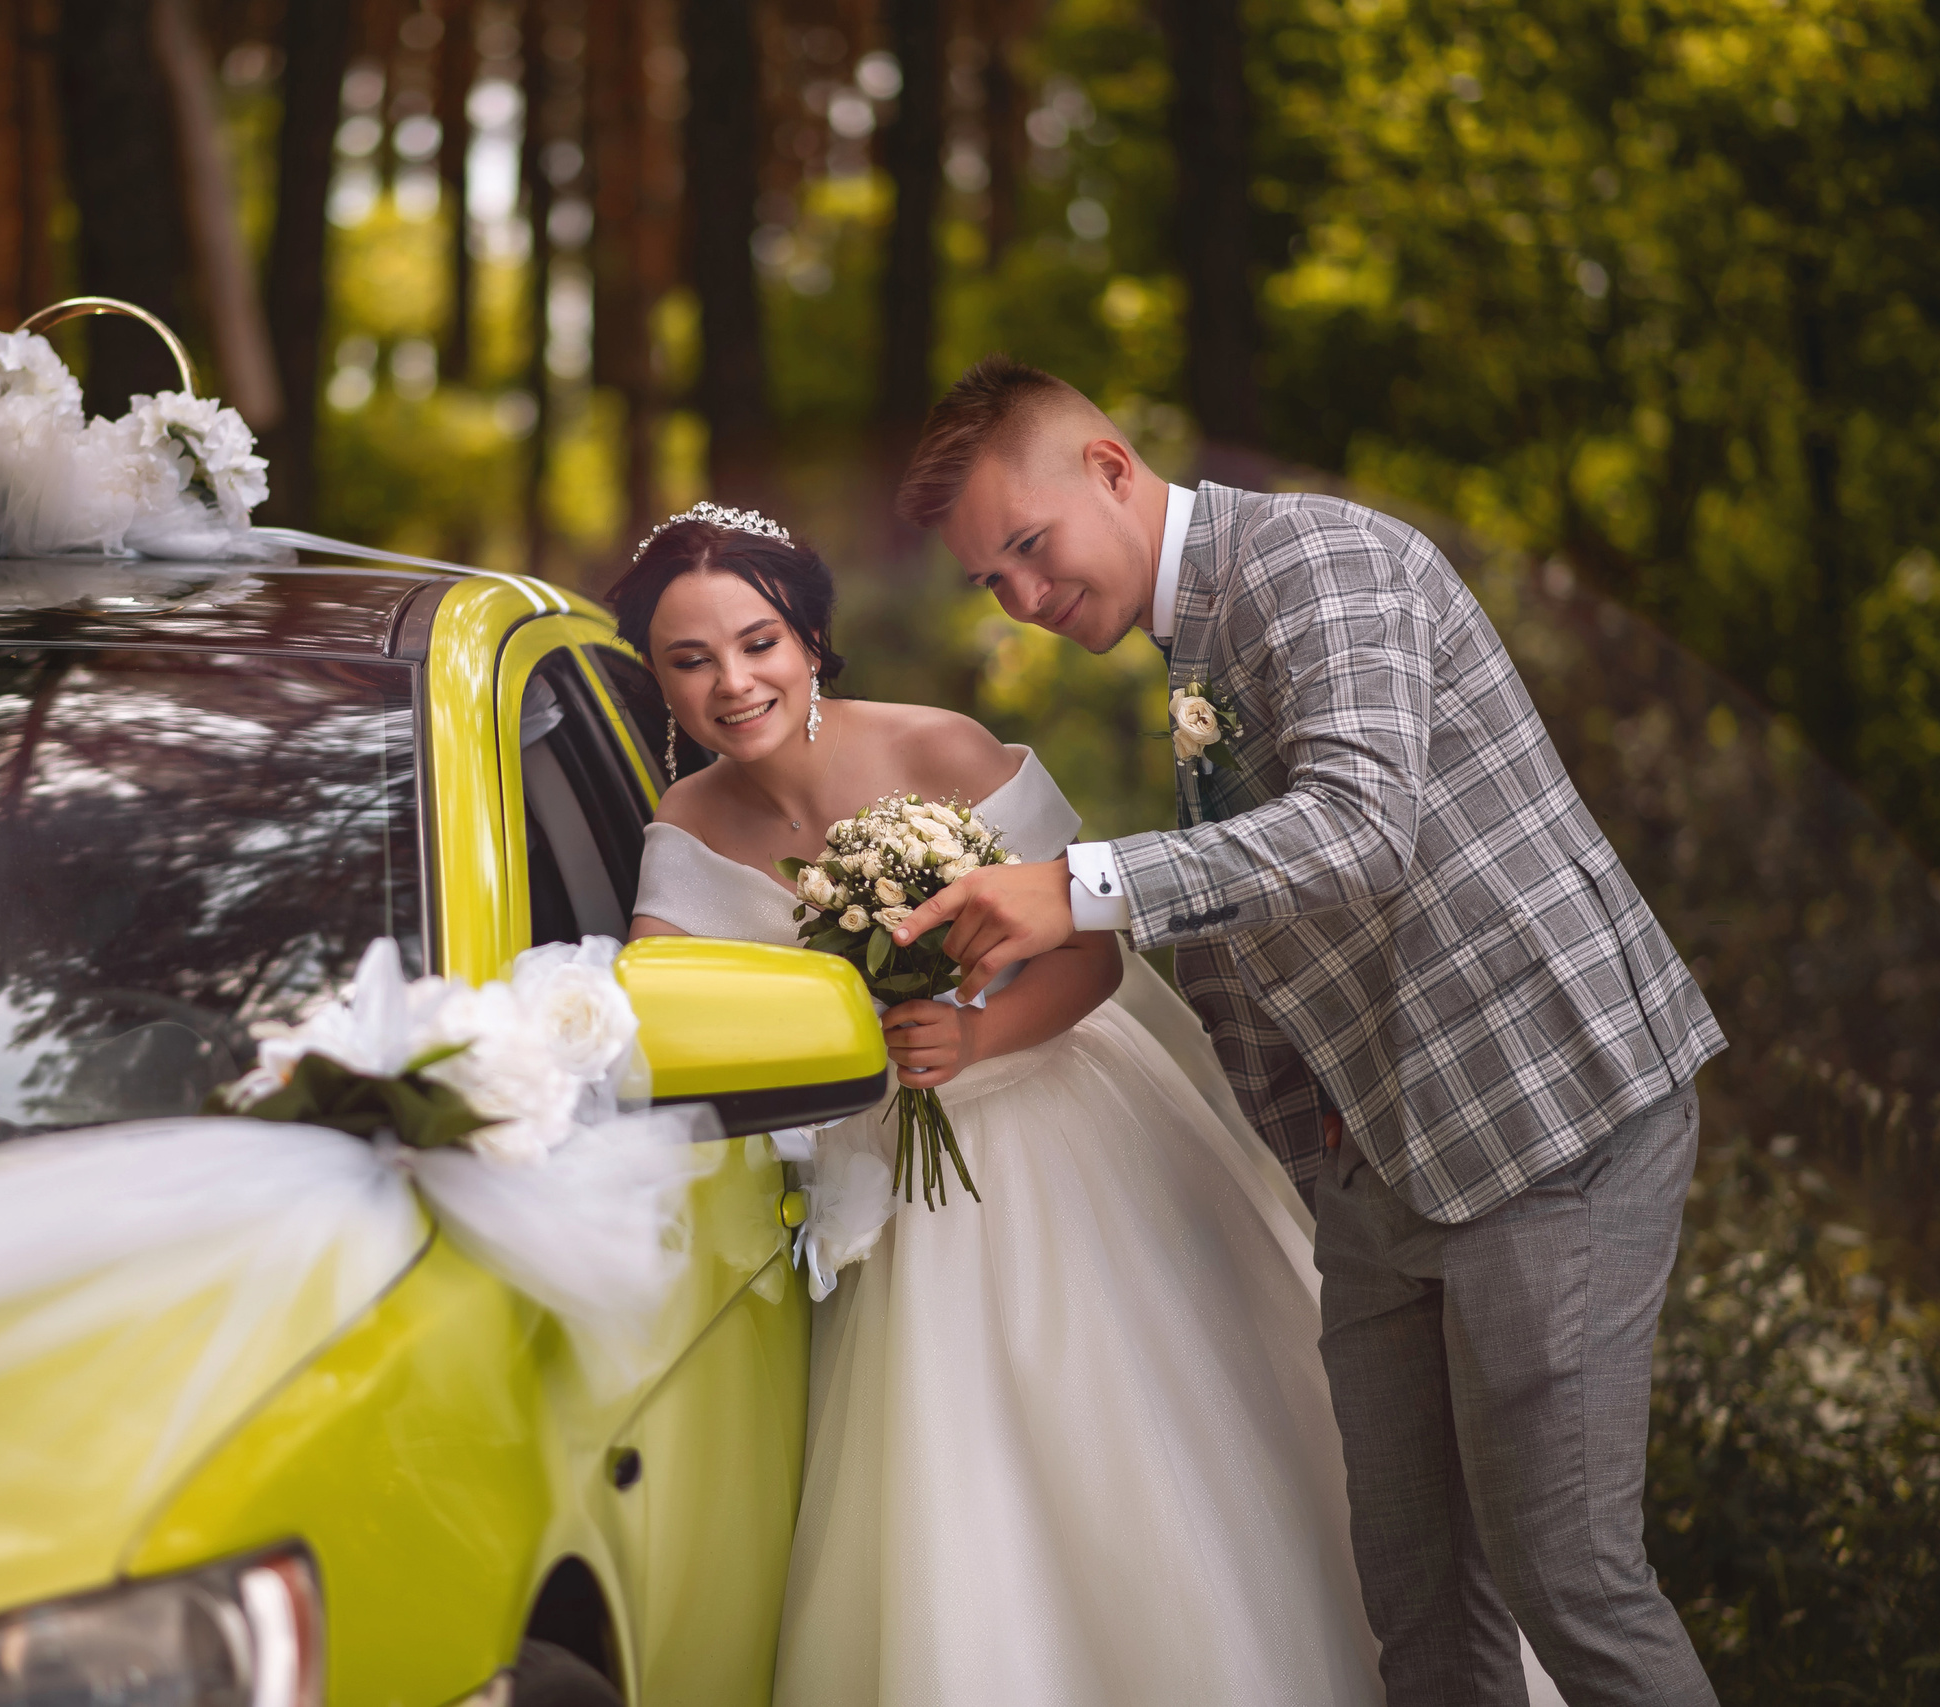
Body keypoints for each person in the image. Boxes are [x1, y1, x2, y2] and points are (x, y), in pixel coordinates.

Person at [888, 355, 1725, 1707]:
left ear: (1109, 465)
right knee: (1417, 1605)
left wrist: (1077, 884)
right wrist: (1316, 1145)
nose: (1029, 600)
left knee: (1569, 1575)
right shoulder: (1193, 647)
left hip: (1543, 1116)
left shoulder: (1317, 560)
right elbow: (1250, 932)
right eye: (996, 581)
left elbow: (1357, 827)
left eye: (1031, 549)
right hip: (1383, 1162)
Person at [614, 501, 1386, 1705]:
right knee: (938, 1497)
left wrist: (968, 1037)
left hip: (1047, 1128)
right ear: (658, 680)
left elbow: (1091, 956)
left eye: (757, 642)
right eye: (690, 660)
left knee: (1132, 1459)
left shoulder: (942, 753)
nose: (732, 683)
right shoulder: (687, 821)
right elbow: (652, 998)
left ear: (811, 640)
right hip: (875, 1189)